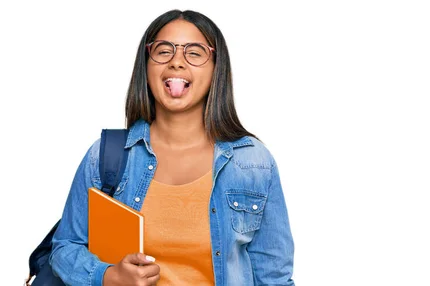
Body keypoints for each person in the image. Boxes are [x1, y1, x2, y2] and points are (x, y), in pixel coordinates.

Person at [49, 9, 295, 286]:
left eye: (195, 52)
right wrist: (107, 276)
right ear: (146, 65)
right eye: (164, 51)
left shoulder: (252, 162)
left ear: (216, 69)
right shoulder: (106, 156)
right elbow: (65, 247)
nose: (177, 61)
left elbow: (273, 277)